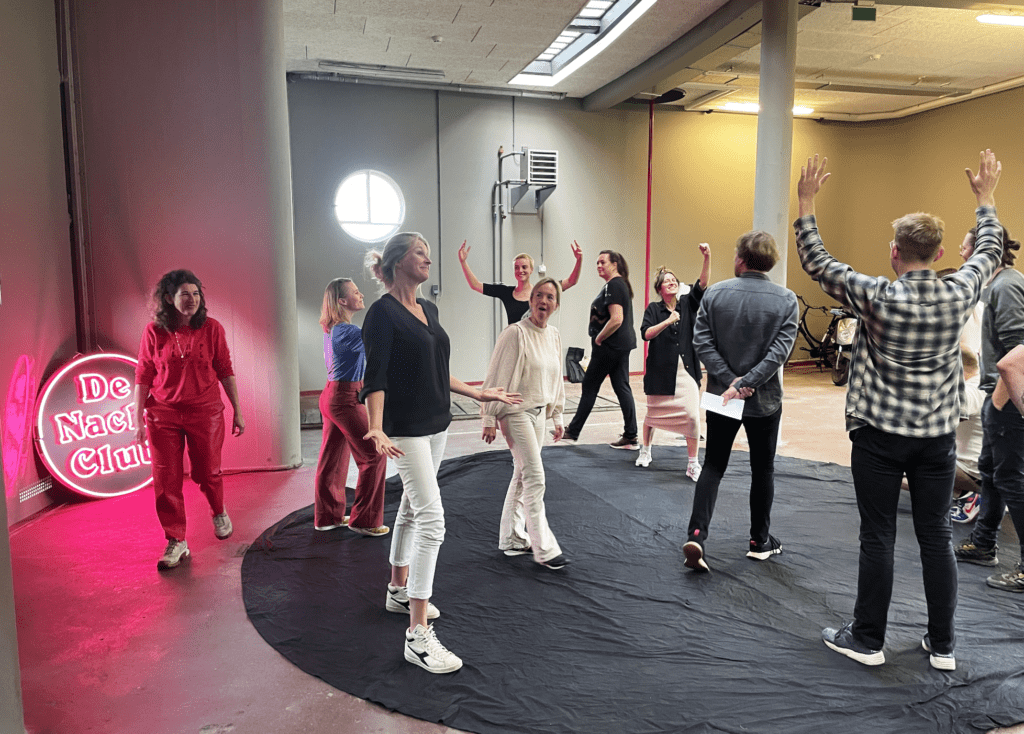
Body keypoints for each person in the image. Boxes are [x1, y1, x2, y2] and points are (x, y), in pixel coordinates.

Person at [798, 150, 1004, 671]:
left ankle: (868, 640)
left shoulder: (876, 296)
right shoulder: (959, 293)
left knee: (878, 535)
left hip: (878, 438)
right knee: (936, 536)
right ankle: (943, 645)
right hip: (936, 441)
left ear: (894, 252)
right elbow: (989, 250)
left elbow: (818, 263)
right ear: (938, 254)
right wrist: (985, 199)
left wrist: (806, 202)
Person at [360, 232, 521, 674]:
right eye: (420, 252)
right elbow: (375, 377)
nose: (428, 259)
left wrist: (480, 392)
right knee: (433, 520)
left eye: (428, 253)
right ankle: (417, 636)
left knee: (413, 510)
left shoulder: (428, 309)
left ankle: (397, 589)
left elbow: (438, 368)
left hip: (437, 424)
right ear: (397, 262)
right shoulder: (381, 314)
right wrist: (375, 426)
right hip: (405, 430)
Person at [682, 232, 797, 573]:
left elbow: (701, 342)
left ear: (741, 259)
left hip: (723, 396)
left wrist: (731, 381)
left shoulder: (715, 293)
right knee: (763, 469)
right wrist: (747, 383)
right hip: (764, 401)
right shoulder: (787, 300)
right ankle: (759, 541)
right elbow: (779, 354)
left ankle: (696, 535)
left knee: (713, 466)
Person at [133, 270, 245, 571]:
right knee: (165, 480)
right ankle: (176, 540)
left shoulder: (212, 328)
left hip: (205, 411)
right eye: (185, 294)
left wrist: (237, 410)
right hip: (163, 414)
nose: (192, 299)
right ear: (169, 298)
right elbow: (143, 374)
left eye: (196, 294)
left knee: (208, 471)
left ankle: (218, 510)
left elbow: (225, 369)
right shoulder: (154, 332)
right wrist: (137, 418)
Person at [954, 223, 1024, 594]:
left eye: (967, 247)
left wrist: (998, 404)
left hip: (1006, 399)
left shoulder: (1007, 286)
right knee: (992, 474)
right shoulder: (996, 285)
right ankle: (983, 543)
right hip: (999, 396)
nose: (962, 252)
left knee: (1011, 479)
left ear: (986, 250)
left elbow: (1017, 352)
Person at [480, 278, 569, 570]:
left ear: (556, 305)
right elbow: (496, 374)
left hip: (539, 413)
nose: (544, 301)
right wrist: (489, 416)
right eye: (539, 295)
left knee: (521, 475)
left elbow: (556, 379)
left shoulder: (553, 335)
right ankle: (544, 548)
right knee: (535, 476)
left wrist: (557, 414)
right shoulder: (515, 333)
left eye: (550, 297)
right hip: (514, 411)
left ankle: (512, 539)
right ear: (530, 301)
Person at [313, 278, 388, 536]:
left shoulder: (333, 329)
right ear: (342, 301)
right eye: (355, 292)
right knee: (375, 454)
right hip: (344, 397)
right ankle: (365, 521)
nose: (361, 294)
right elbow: (379, 336)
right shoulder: (347, 331)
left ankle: (328, 517)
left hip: (332, 395)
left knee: (332, 459)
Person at [637, 243, 711, 477]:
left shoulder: (687, 303)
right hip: (660, 370)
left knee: (692, 416)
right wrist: (667, 321)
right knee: (652, 416)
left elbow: (702, 283)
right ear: (660, 288)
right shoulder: (654, 309)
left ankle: (692, 463)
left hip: (687, 370)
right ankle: (645, 450)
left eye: (674, 280)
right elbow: (646, 334)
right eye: (667, 281)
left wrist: (707, 257)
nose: (672, 282)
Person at [563, 250, 639, 449]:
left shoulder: (614, 285)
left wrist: (599, 338)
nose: (598, 266)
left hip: (609, 347)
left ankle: (573, 431)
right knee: (622, 387)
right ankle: (631, 434)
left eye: (602, 262)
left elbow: (617, 319)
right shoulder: (619, 285)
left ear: (614, 264)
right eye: (597, 262)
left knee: (590, 386)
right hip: (620, 346)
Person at [457, 241, 583, 325]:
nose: (520, 271)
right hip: (514, 342)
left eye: (524, 267)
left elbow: (571, 281)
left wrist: (579, 260)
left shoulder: (540, 291)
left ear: (531, 270)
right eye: (516, 268)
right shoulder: (506, 292)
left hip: (533, 342)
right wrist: (463, 262)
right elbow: (475, 285)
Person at [949, 344, 984, 523]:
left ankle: (969, 494)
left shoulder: (973, 388)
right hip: (971, 466)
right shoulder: (981, 383)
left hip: (970, 472)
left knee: (899, 464)